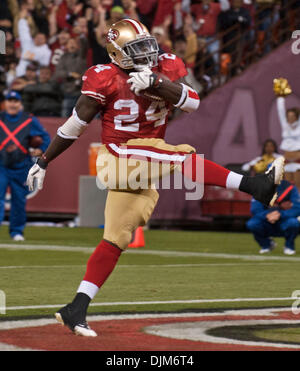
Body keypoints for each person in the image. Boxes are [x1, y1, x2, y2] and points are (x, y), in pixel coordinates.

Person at [26, 19, 284, 337]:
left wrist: (156, 83)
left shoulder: (165, 65)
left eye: (148, 44)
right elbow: (74, 126)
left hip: (146, 159)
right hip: (119, 157)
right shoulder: (102, 76)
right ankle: (254, 185)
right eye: (137, 48)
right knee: (181, 157)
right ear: (117, 54)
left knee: (116, 237)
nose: (148, 52)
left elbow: (193, 101)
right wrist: (44, 160)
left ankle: (75, 307)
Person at [0, 91, 50, 241]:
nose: (12, 104)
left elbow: (45, 137)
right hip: (1, 165)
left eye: (15, 101)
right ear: (5, 103)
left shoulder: (29, 120)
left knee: (19, 200)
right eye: (10, 101)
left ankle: (16, 232)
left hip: (21, 166)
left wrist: (40, 149)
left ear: (20, 104)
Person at [247, 179, 300, 255]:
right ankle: (266, 245)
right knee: (252, 224)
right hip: (266, 219)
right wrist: (267, 215)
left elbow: (297, 208)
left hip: (283, 219)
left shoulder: (290, 187)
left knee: (294, 223)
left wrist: (280, 214)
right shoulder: (259, 188)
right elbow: (255, 209)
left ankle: (289, 246)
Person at [273, 78, 300, 189]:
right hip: (287, 157)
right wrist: (280, 97)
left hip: (298, 158)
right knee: (287, 185)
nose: (289, 118)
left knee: (298, 184)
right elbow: (280, 111)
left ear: (296, 117)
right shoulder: (285, 125)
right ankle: (289, 205)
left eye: (292, 116)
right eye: (288, 116)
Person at [53, 36, 87, 117]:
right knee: (64, 116)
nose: (72, 45)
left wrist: (81, 35)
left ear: (78, 46)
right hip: (68, 92)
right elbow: (58, 73)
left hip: (81, 92)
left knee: (81, 117)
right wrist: (70, 74)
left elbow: (85, 44)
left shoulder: (81, 55)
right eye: (70, 43)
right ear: (66, 46)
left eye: (74, 43)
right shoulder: (63, 57)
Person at [16, 11, 51, 78]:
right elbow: (23, 32)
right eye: (37, 37)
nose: (39, 40)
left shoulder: (46, 52)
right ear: (34, 38)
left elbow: (44, 67)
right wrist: (22, 19)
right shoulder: (28, 44)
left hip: (34, 76)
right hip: (20, 73)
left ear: (45, 41)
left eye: (41, 39)